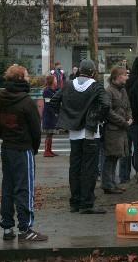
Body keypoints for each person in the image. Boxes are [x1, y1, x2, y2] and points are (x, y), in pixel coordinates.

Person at [0, 65, 47, 242]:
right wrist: (33, 147)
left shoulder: (0, 99)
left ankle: (7, 228)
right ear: (21, 78)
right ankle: (26, 228)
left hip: (7, 147)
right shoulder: (26, 101)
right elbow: (36, 130)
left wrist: (7, 136)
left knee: (7, 187)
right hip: (23, 149)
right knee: (24, 188)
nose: (29, 78)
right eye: (27, 75)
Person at [50, 59, 110, 214]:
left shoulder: (68, 85)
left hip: (74, 132)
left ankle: (75, 202)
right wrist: (98, 118)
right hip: (90, 131)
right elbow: (106, 105)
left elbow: (54, 101)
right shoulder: (96, 86)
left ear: (79, 70)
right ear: (93, 72)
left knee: (75, 167)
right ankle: (87, 203)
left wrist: (65, 118)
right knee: (89, 168)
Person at [102, 67, 132, 194]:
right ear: (117, 77)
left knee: (115, 157)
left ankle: (112, 183)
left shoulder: (123, 90)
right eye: (124, 75)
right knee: (110, 157)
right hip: (113, 130)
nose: (126, 77)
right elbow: (108, 112)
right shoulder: (108, 91)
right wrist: (124, 122)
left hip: (121, 129)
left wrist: (129, 117)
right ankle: (108, 184)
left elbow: (128, 107)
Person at [119, 57, 138, 183]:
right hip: (137, 121)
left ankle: (124, 176)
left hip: (125, 120)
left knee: (125, 150)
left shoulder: (127, 82)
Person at [42, 75, 59, 157]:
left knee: (51, 133)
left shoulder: (53, 91)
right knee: (49, 134)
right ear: (51, 81)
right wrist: (54, 113)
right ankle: (46, 151)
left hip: (52, 115)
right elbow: (48, 104)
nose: (56, 80)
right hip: (49, 115)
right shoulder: (47, 91)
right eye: (55, 79)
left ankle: (49, 150)